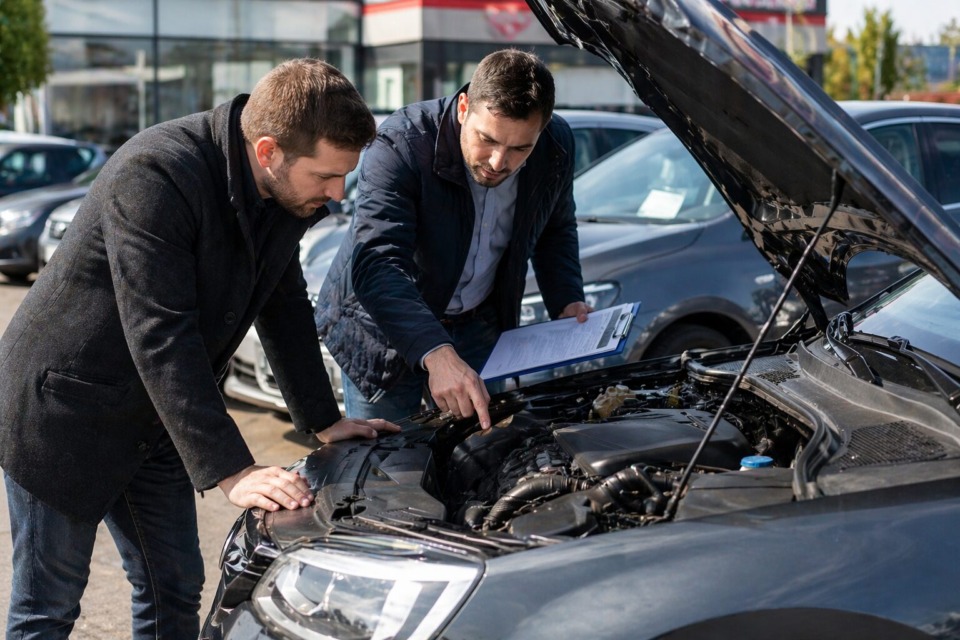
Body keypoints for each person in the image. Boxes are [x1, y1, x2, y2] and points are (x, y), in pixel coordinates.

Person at [0, 58, 399, 639]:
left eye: (345, 176)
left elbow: (282, 305)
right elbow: (161, 331)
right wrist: (233, 469)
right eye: (326, 177)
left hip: (156, 417)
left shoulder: (284, 195)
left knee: (174, 587)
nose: (338, 195)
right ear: (268, 151)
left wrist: (323, 420)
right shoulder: (156, 172)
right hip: (63, 414)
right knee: (50, 606)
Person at [316, 49, 592, 430]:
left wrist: (566, 299)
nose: (499, 162)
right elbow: (379, 262)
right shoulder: (402, 143)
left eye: (519, 149)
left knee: (481, 455)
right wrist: (436, 352)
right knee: (383, 468)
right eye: (487, 139)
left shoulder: (556, 144)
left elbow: (555, 227)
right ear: (464, 107)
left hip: (480, 325)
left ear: (541, 130)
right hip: (384, 333)